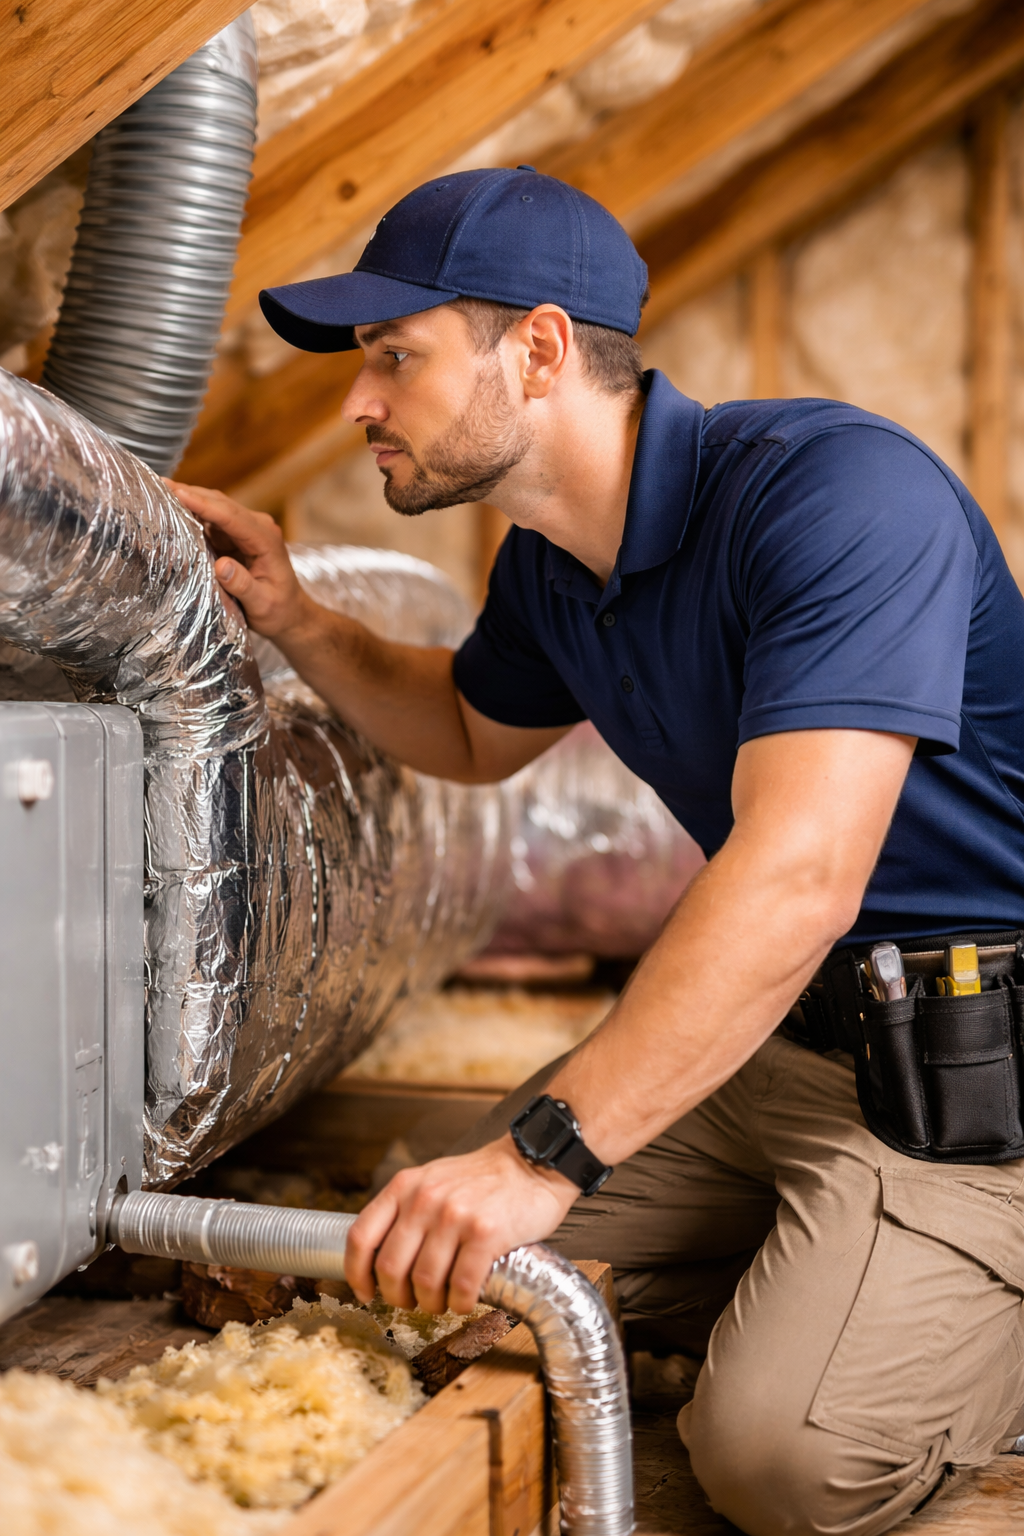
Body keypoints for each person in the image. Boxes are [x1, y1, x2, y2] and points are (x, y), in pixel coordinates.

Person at [169, 167, 1024, 1536]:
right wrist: (297, 618)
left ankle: (940, 1308)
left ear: (543, 349)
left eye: (394, 356)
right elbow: (464, 727)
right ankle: (841, 1281)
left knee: (776, 1461)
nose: (357, 403)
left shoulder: (841, 498)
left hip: (973, 1097)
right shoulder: (555, 568)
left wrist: (548, 1152)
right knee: (417, 1265)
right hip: (773, 1054)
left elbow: (801, 877)